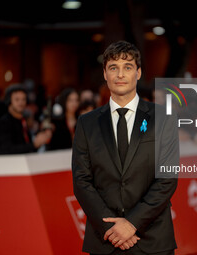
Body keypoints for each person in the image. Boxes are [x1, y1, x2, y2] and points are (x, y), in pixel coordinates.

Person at [72, 41, 179, 255]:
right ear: (105, 74)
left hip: (152, 239)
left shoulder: (164, 118)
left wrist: (131, 224)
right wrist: (112, 228)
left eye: (127, 67)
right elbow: (81, 180)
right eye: (113, 68)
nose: (120, 74)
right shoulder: (87, 123)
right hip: (105, 240)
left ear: (138, 73)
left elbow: (167, 179)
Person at [0, 84, 52, 154]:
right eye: (17, 99)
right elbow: (7, 149)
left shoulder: (23, 120)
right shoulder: (4, 122)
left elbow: (27, 147)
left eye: (23, 99)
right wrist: (34, 145)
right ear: (9, 101)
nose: (21, 102)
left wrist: (39, 140)